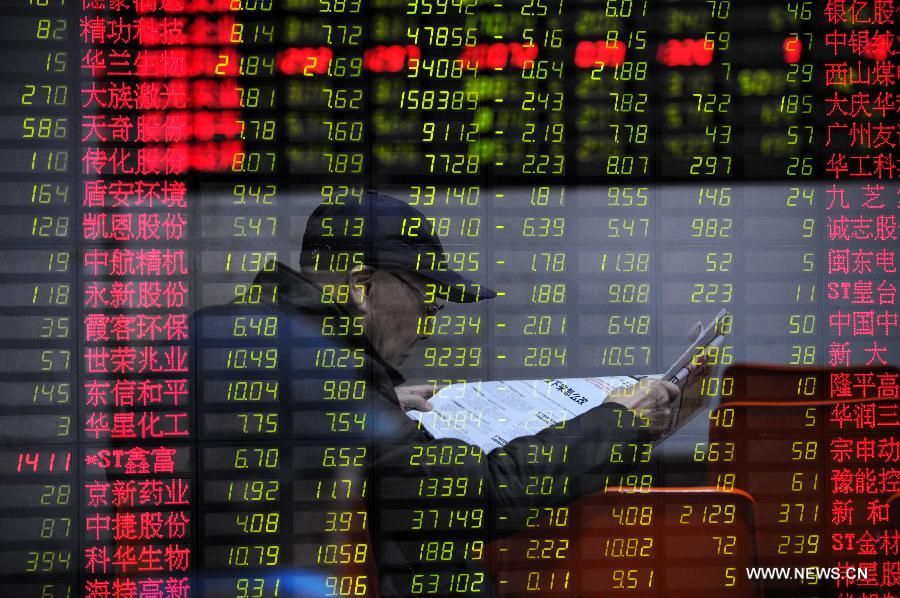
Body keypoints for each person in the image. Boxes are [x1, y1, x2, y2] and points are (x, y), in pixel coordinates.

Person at [196, 190, 681, 597]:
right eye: (428, 305)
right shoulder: (332, 379)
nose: (427, 329)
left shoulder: (213, 334)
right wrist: (620, 419)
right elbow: (478, 498)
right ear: (361, 287)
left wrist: (379, 403)